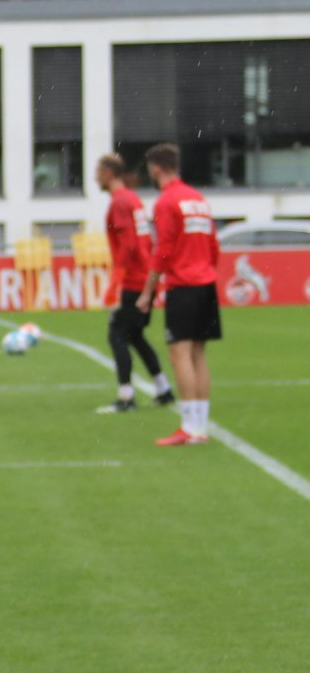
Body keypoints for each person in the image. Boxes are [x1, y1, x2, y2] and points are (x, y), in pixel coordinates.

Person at [138, 143, 221, 447]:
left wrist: (148, 291)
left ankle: (189, 426)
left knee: (179, 353)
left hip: (183, 284)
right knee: (198, 353)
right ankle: (200, 427)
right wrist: (206, 271)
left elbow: (163, 250)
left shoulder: (166, 201)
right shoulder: (197, 199)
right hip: (205, 282)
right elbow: (213, 245)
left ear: (156, 168)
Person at [94, 154, 172, 414]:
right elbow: (144, 240)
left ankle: (126, 396)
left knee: (117, 334)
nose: (95, 178)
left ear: (109, 173)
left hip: (133, 279)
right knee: (135, 335)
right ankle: (163, 389)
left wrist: (116, 281)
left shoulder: (120, 202)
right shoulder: (133, 199)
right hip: (144, 276)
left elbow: (128, 244)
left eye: (98, 172)